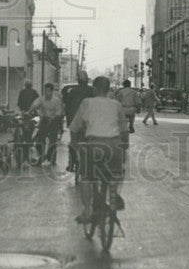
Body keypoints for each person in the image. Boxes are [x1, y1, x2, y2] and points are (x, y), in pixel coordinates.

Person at [70, 76, 129, 224]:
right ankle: (113, 194)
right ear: (108, 89)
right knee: (116, 172)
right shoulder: (116, 105)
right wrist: (125, 146)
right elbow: (124, 130)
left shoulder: (87, 102)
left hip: (93, 145)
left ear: (94, 89)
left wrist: (75, 143)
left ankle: (87, 213)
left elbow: (74, 127)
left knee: (86, 177)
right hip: (114, 146)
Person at [63, 70, 94, 172]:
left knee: (73, 143)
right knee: (90, 144)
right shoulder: (92, 91)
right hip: (89, 123)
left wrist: (69, 122)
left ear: (78, 81)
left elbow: (68, 108)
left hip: (75, 123)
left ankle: (71, 164)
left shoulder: (73, 91)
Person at [31, 83, 64, 166]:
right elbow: (35, 104)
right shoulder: (41, 99)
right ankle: (40, 157)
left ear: (52, 91)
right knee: (40, 139)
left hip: (53, 121)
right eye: (45, 90)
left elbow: (59, 112)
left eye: (48, 90)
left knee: (53, 141)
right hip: (44, 120)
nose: (46, 92)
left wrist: (54, 118)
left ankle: (52, 159)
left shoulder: (56, 101)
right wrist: (31, 110)